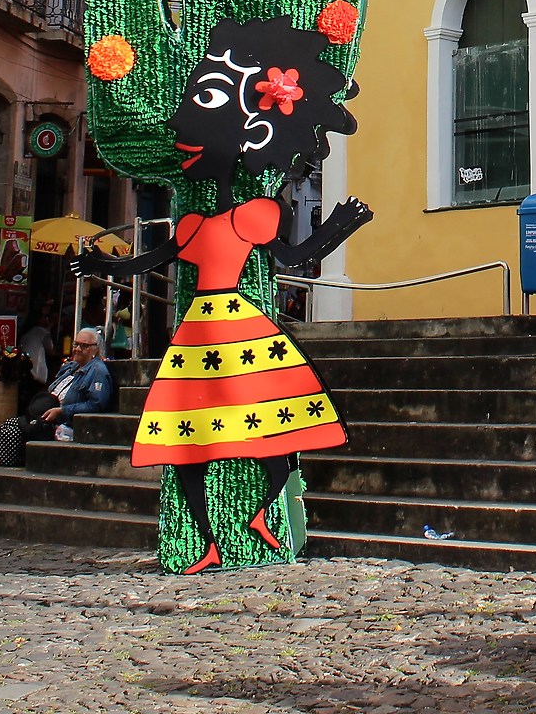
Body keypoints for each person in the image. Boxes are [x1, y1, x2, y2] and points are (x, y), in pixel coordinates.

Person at [81, 187, 372, 574]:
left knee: (258, 435)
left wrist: (340, 223)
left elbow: (291, 256)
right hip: (217, 324)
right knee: (201, 445)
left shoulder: (238, 219)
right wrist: (99, 263)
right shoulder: (198, 225)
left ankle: (249, 521)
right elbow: (148, 261)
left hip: (218, 323)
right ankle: (218, 539)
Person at [0, 326, 116, 488]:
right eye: (76, 344)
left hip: (63, 422)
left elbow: (96, 404)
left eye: (84, 346)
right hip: (47, 413)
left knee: (13, 430)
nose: (78, 349)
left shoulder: (97, 371)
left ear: (95, 349)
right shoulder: (71, 367)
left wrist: (62, 410)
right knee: (10, 425)